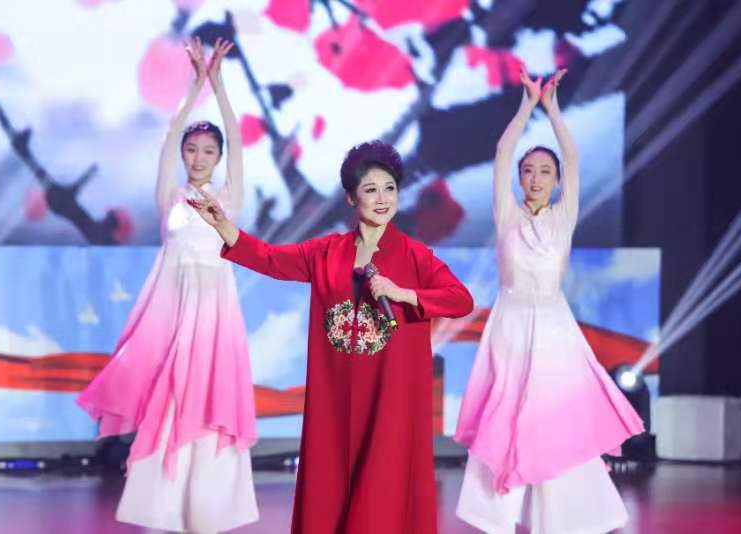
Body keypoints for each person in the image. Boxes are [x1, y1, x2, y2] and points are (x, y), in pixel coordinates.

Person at [188, 140, 474, 534]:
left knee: (383, 494)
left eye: (390, 188)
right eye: (371, 189)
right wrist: (223, 226)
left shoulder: (414, 255)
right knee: (331, 491)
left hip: (389, 398)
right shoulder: (327, 252)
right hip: (334, 397)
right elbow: (270, 258)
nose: (382, 199)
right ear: (351, 197)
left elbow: (460, 299)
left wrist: (404, 294)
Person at [77, 38, 258, 533]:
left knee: (210, 401)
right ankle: (165, 508)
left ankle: (209, 509)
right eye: (192, 150)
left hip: (215, 315)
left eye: (208, 151)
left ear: (218, 158)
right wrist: (194, 86)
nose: (198, 157)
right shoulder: (170, 198)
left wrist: (218, 84)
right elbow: (169, 134)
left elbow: (237, 136)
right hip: (174, 312)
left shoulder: (228, 198)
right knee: (172, 400)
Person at [453, 67, 644, 533]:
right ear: (518, 178)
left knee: (554, 420)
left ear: (557, 180)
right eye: (528, 170)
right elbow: (502, 152)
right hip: (511, 325)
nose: (536, 177)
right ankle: (497, 516)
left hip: (555, 328)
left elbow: (573, 158)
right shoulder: (507, 215)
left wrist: (553, 111)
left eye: (545, 171)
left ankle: (559, 520)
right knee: (506, 417)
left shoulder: (563, 217)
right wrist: (526, 106)